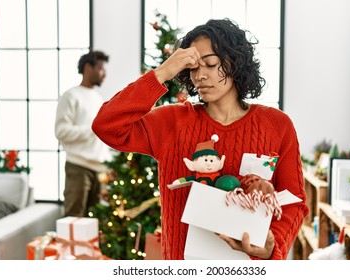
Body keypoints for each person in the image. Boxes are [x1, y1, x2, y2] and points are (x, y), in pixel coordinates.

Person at [92, 19, 309, 259]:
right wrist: (162, 73)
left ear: (236, 62)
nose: (200, 76)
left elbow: (294, 203)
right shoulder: (171, 122)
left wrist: (273, 246)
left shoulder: (277, 125)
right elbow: (106, 125)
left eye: (210, 64)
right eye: (193, 68)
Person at [55, 50, 112, 217]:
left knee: (96, 221)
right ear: (88, 67)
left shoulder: (98, 98)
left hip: (100, 170)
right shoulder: (71, 96)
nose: (105, 74)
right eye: (101, 68)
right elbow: (61, 131)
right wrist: (91, 129)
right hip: (78, 167)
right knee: (74, 218)